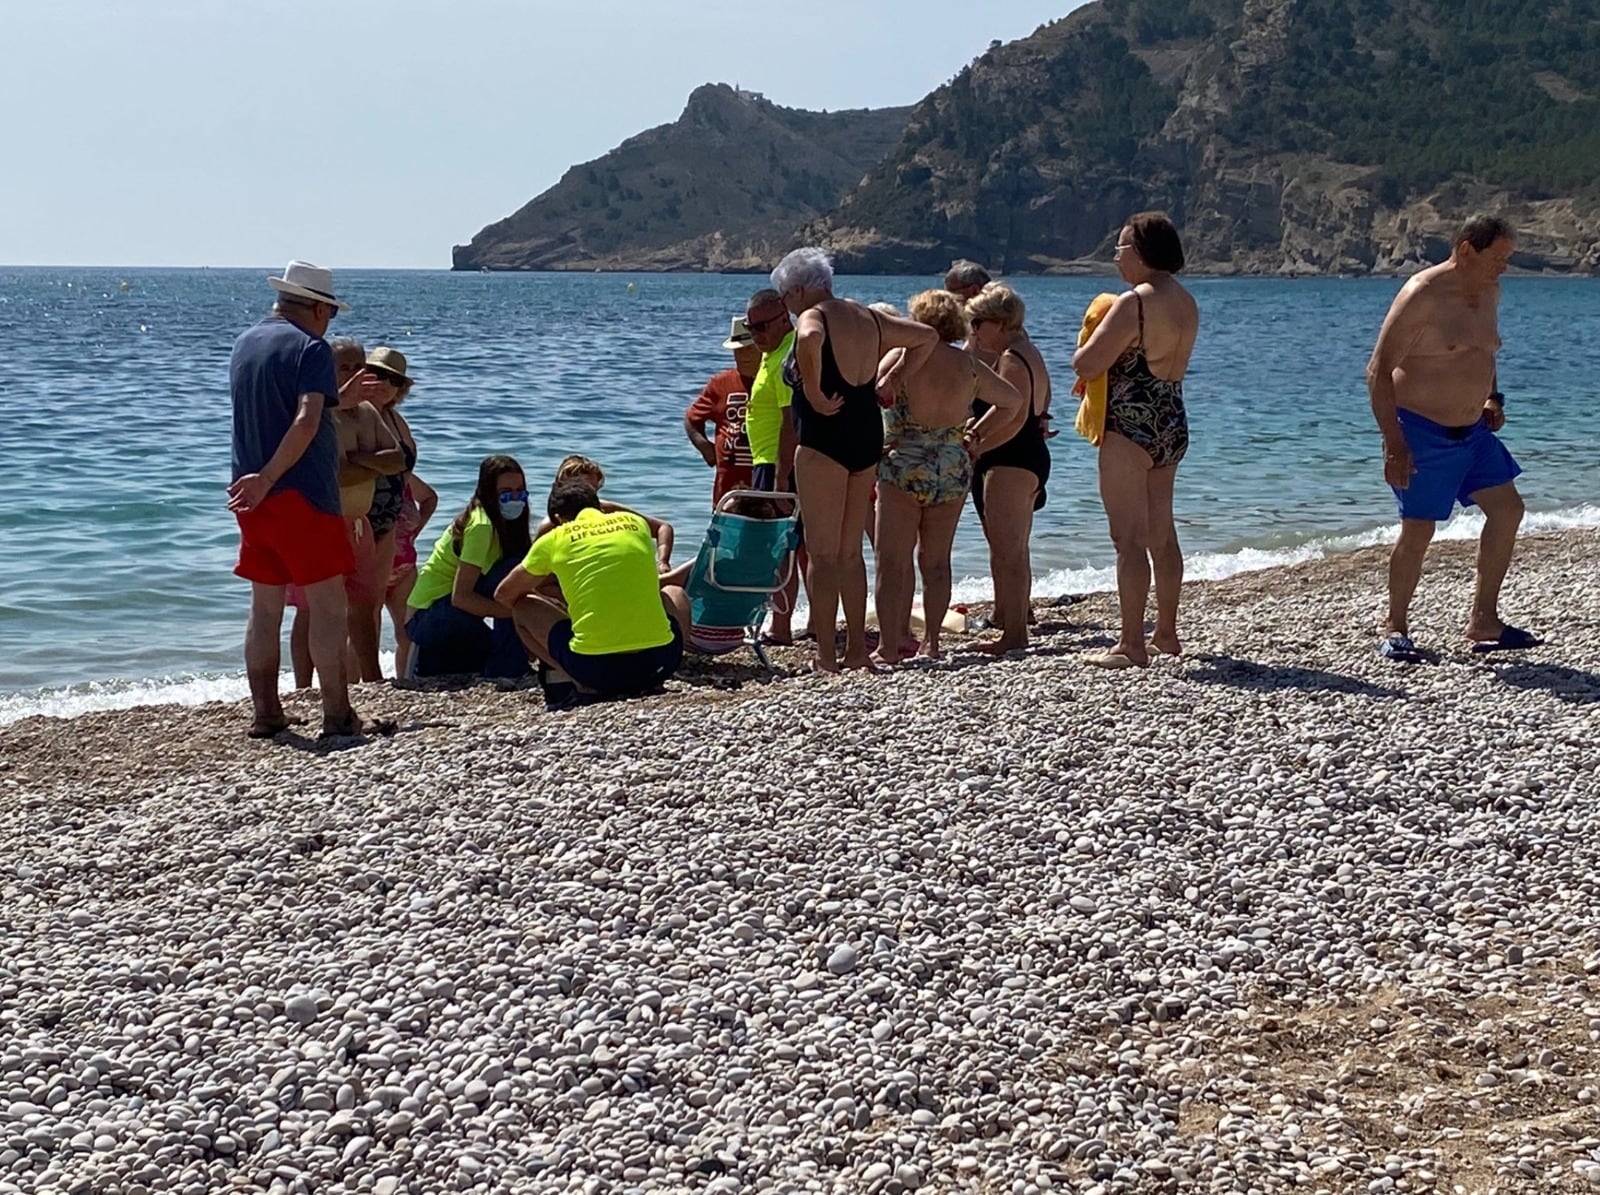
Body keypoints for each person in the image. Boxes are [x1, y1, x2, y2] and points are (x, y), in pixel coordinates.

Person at [227, 261, 387, 738]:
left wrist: (257, 482)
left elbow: (268, 411)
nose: (329, 323)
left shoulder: (245, 343)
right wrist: (274, 476)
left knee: (265, 607)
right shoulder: (310, 347)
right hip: (300, 495)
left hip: (249, 493)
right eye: (330, 314)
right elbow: (306, 418)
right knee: (328, 605)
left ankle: (266, 712)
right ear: (318, 308)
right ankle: (338, 714)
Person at [1366, 214, 1533, 661]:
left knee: (1508, 510)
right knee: (1418, 529)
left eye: (1507, 259)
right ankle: (1396, 627)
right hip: (1422, 431)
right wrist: (1393, 443)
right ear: (1465, 251)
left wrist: (1493, 398)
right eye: (1496, 257)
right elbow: (1378, 371)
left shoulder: (1489, 292)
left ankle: (1484, 619)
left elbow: (1484, 350)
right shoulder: (1423, 296)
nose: (1503, 267)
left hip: (1474, 433)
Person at [771, 246, 938, 672]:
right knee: (850, 552)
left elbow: (809, 338)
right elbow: (927, 337)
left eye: (787, 299)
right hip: (865, 433)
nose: (788, 309)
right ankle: (858, 652)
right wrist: (892, 380)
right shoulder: (869, 316)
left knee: (824, 554)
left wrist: (810, 390)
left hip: (825, 438)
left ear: (802, 290)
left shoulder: (815, 316)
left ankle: (826, 654)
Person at [1072, 212, 1200, 669]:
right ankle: (1166, 630)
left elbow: (1087, 364)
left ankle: (1131, 643)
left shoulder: (1134, 304)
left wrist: (1086, 334)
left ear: (1142, 253)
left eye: (1121, 248)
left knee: (1127, 538)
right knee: (1161, 534)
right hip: (1170, 419)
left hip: (1129, 426)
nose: (1115, 257)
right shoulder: (1185, 301)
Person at [873, 290, 1023, 664]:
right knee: (937, 561)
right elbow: (1012, 401)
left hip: (903, 462)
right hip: (952, 465)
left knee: (892, 560)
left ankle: (889, 646)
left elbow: (875, 397)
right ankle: (934, 643)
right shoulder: (968, 364)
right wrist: (976, 435)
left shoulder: (899, 359)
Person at [497, 479, 690, 699]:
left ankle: (574, 678)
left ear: (558, 518)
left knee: (522, 608)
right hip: (660, 665)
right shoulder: (635, 523)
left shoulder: (554, 538)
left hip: (596, 672)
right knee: (674, 592)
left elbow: (504, 594)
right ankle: (669, 665)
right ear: (599, 506)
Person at [965, 282, 1054, 654]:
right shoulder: (1028, 351)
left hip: (1012, 458)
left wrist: (975, 440)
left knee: (1008, 551)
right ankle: (1013, 627)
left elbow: (1013, 413)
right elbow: (1040, 406)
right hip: (1028, 455)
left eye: (977, 323)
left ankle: (1015, 634)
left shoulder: (1012, 358)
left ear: (1000, 323)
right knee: (1013, 548)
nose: (973, 331)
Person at [404, 454, 533, 677]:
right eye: (505, 492)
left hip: (449, 615)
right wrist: (514, 613)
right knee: (511, 573)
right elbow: (461, 597)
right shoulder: (481, 526)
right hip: (427, 617)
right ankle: (510, 668)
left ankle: (508, 662)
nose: (514, 498)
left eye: (519, 491)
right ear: (489, 493)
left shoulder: (508, 524)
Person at [743, 288, 805, 643]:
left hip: (777, 464)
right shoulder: (771, 352)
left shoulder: (787, 354)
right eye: (751, 328)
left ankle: (781, 627)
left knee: (783, 550)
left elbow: (789, 421)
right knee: (792, 548)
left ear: (784, 317)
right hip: (766, 461)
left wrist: (781, 476)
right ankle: (794, 623)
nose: (756, 335)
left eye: (762, 327)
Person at [360, 346, 419, 678]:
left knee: (408, 623)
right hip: (368, 532)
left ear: (401, 388)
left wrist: (415, 522)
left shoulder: (397, 421)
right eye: (377, 375)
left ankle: (405, 682)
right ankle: (362, 685)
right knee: (363, 623)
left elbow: (406, 477)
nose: (383, 384)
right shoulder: (353, 414)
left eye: (393, 380)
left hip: (400, 539)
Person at [533, 456, 675, 568]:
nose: (585, 495)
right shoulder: (551, 525)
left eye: (592, 490)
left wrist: (662, 561)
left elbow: (663, 528)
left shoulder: (607, 510)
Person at [684, 318, 759, 504]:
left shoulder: (777, 380)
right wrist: (705, 448)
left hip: (766, 479)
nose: (743, 355)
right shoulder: (721, 383)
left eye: (749, 348)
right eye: (738, 350)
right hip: (728, 487)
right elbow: (691, 419)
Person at [385, 472, 438, 679]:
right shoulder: (363, 477)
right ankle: (358, 685)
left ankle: (404, 681)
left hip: (403, 566)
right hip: (368, 567)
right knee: (361, 636)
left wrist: (413, 533)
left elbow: (430, 498)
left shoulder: (402, 474)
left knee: (408, 631)